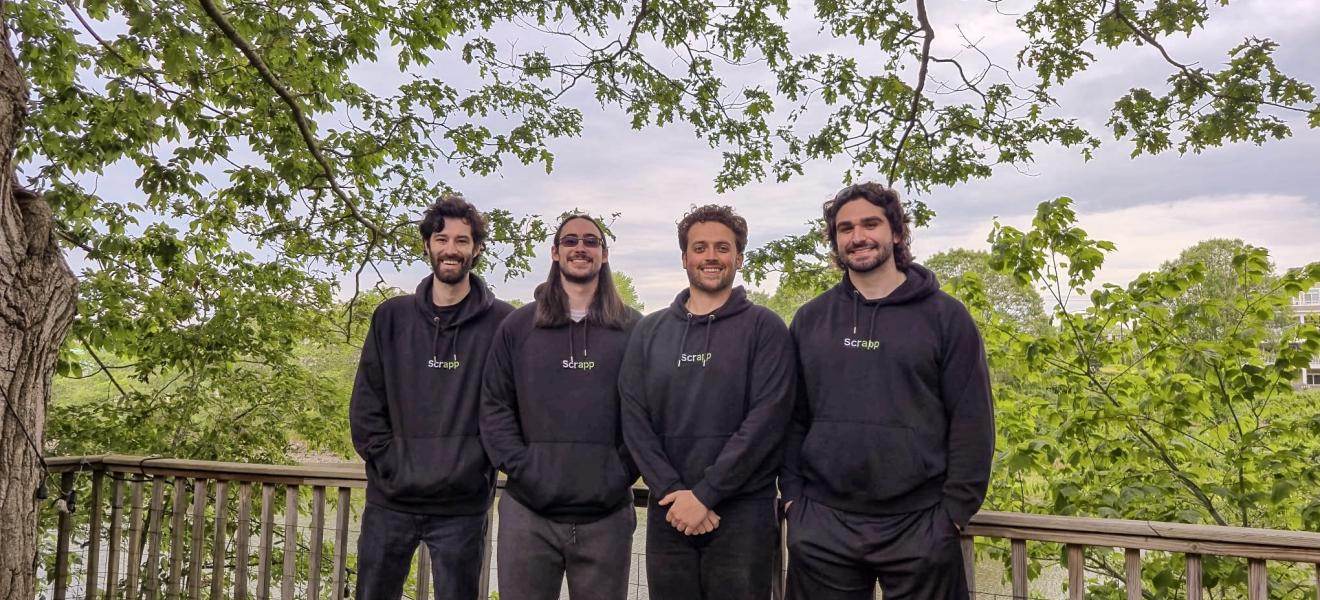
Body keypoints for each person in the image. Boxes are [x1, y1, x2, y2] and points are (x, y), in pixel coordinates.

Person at [780, 182, 995, 600]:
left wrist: (953, 514)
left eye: (870, 224)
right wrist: (793, 500)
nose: (857, 236)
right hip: (824, 525)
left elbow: (973, 422)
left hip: (921, 526)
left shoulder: (946, 318)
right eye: (845, 228)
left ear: (896, 232)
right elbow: (791, 418)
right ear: (835, 241)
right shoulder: (810, 320)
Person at [620, 204, 794, 600]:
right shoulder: (650, 331)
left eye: (722, 247)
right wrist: (675, 492)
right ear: (684, 257)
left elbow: (766, 420)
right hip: (671, 511)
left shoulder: (765, 328)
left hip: (743, 514)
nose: (711, 256)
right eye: (700, 248)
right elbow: (634, 418)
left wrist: (707, 494)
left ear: (738, 257)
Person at [349, 195, 515, 600]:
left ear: (476, 249)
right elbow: (367, 404)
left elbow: (510, 410)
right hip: (390, 502)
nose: (451, 249)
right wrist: (389, 463)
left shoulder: (504, 323)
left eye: (462, 240)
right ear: (427, 245)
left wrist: (473, 467)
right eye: (442, 239)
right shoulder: (392, 317)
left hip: (462, 506)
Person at [480, 214, 643, 600]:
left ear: (604, 255)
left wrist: (619, 471)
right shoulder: (518, 328)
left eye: (591, 241)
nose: (580, 248)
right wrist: (525, 468)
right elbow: (495, 407)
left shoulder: (634, 329)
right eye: (570, 241)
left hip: (607, 517)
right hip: (528, 514)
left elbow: (650, 413)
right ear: (555, 252)